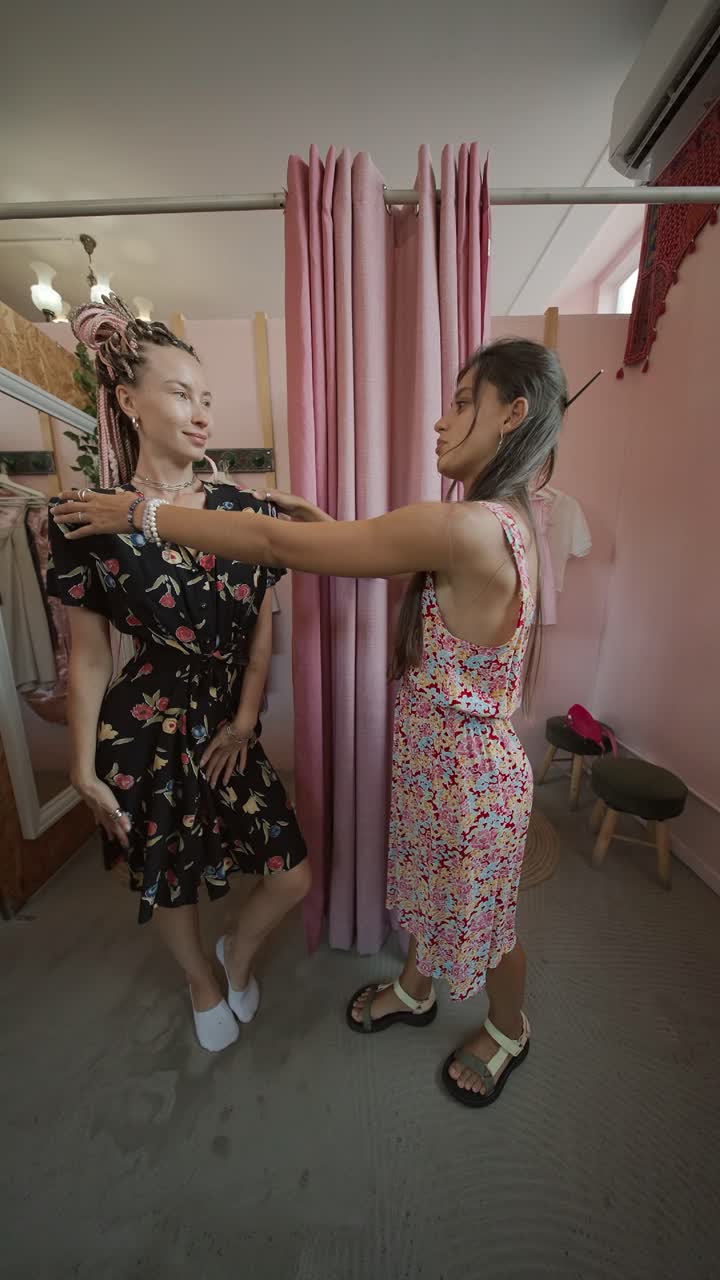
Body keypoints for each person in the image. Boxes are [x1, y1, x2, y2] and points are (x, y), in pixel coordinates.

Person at [53, 337, 568, 1106]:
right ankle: (417, 990)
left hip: (470, 784)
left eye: (463, 402)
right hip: (436, 769)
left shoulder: (473, 526)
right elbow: (400, 569)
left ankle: (509, 1029)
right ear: (129, 404)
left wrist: (142, 515)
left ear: (512, 415)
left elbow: (272, 543)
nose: (440, 421)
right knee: (430, 900)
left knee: (487, 924)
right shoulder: (482, 527)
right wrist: (324, 521)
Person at [47, 295, 309, 1054]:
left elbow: (262, 627)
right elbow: (90, 654)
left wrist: (243, 720)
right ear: (127, 402)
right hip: (145, 725)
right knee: (171, 878)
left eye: (208, 401)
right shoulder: (86, 517)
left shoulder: (236, 508)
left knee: (290, 872)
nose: (201, 415)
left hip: (228, 723)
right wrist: (81, 762)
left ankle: (239, 954)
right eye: (181, 394)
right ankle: (200, 978)